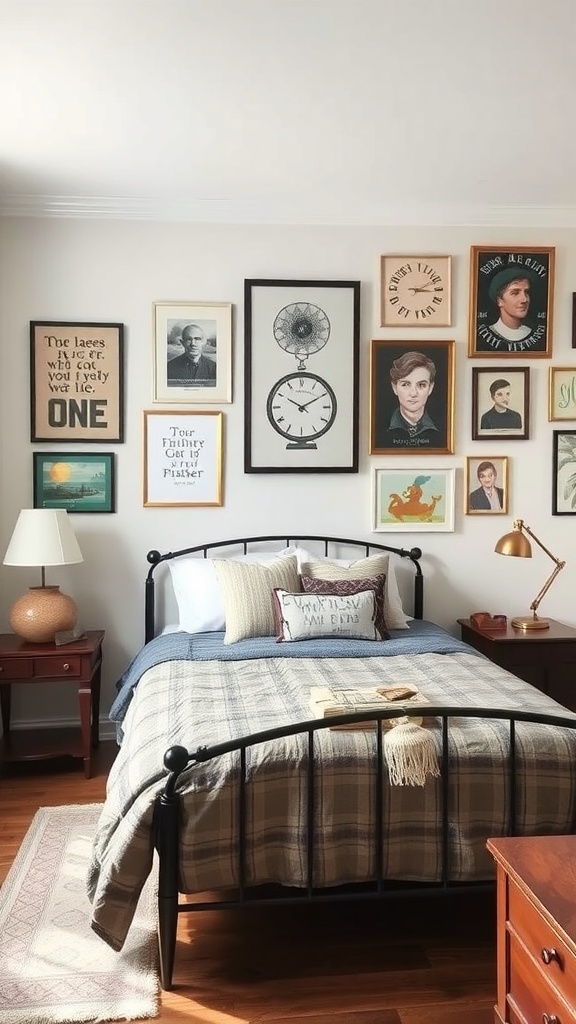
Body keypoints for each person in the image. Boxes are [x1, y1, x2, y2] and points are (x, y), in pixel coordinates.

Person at [381, 350, 439, 447]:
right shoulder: (380, 430)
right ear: (394, 387)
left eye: (421, 385)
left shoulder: (442, 431)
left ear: (430, 388)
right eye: (406, 384)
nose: (413, 393)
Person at [488, 267, 535, 343]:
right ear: (499, 300)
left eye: (526, 292)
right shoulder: (491, 333)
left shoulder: (531, 333)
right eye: (515, 293)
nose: (524, 300)